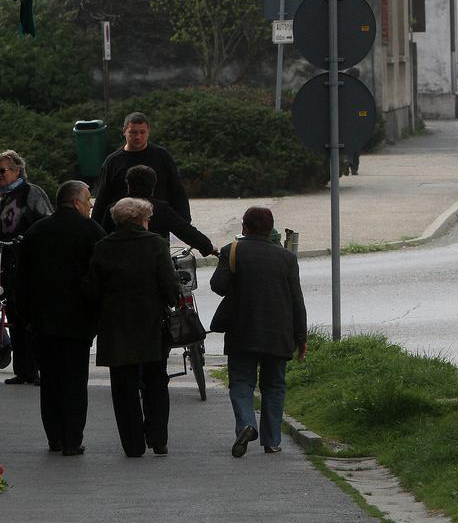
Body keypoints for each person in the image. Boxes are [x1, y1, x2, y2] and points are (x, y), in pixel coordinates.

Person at [83, 197, 179, 457]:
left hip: (115, 326)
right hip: (150, 324)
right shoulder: (157, 245)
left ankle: (133, 444)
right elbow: (170, 288)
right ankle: (158, 437)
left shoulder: (103, 247)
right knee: (156, 380)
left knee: (123, 387)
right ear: (141, 220)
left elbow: (92, 288)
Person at [210, 206, 307, 457]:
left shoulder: (232, 251)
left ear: (245, 227)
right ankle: (272, 440)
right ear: (270, 229)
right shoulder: (287, 258)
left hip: (242, 330)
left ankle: (246, 425)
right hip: (279, 332)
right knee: (274, 385)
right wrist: (301, 337)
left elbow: (217, 286)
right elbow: (297, 300)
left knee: (242, 382)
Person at [17, 181, 105, 454]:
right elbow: (101, 272)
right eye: (88, 200)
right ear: (77, 202)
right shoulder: (91, 230)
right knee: (75, 382)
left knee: (51, 381)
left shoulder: (36, 231)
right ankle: (71, 439)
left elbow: (21, 279)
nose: (90, 205)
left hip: (42, 321)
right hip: (78, 320)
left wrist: (26, 316)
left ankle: (54, 437)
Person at [0, 149, 54, 386]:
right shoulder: (2, 196)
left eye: (2, 170)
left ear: (17, 170)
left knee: (33, 316)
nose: (0, 175)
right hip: (8, 262)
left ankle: (42, 368)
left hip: (30, 262)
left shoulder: (31, 192)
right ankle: (24, 370)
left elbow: (47, 222)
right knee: (14, 314)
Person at [91, 112, 190, 231]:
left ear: (148, 131)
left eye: (142, 132)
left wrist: (185, 221)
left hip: (156, 222)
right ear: (124, 131)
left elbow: (176, 189)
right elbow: (103, 197)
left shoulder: (161, 156)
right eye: (133, 132)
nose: (138, 137)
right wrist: (96, 228)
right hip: (123, 226)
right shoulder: (113, 161)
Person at [123, 165, 216, 257]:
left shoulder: (115, 208)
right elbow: (185, 231)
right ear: (153, 185)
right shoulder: (160, 209)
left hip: (119, 262)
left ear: (128, 184)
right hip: (156, 262)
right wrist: (207, 247)